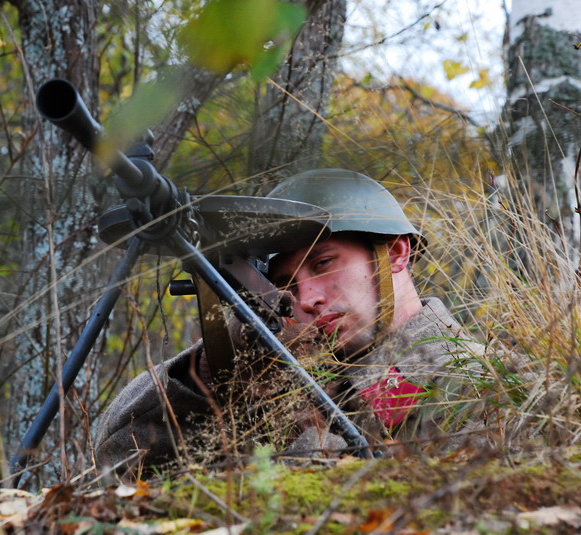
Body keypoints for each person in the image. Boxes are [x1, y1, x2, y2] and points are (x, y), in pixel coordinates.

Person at [95, 169, 489, 473]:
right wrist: (214, 364)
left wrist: (308, 437)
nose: (307, 298)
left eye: (323, 263)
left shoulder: (479, 382)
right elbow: (122, 461)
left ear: (398, 253)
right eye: (287, 285)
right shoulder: (292, 377)